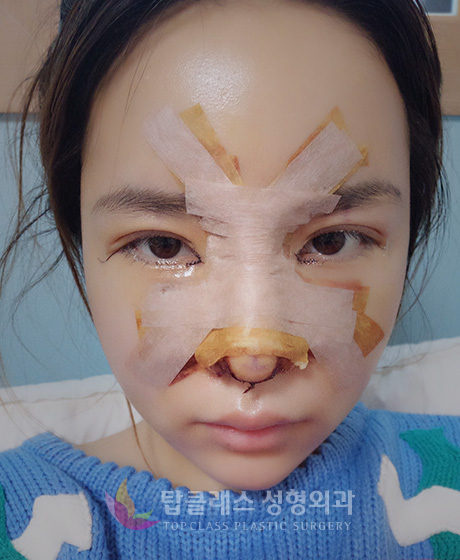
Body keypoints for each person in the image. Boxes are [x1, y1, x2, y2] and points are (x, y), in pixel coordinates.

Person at [0, 0, 459, 558]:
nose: (252, 361)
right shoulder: (24, 516)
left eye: (331, 241)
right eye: (164, 246)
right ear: (81, 241)